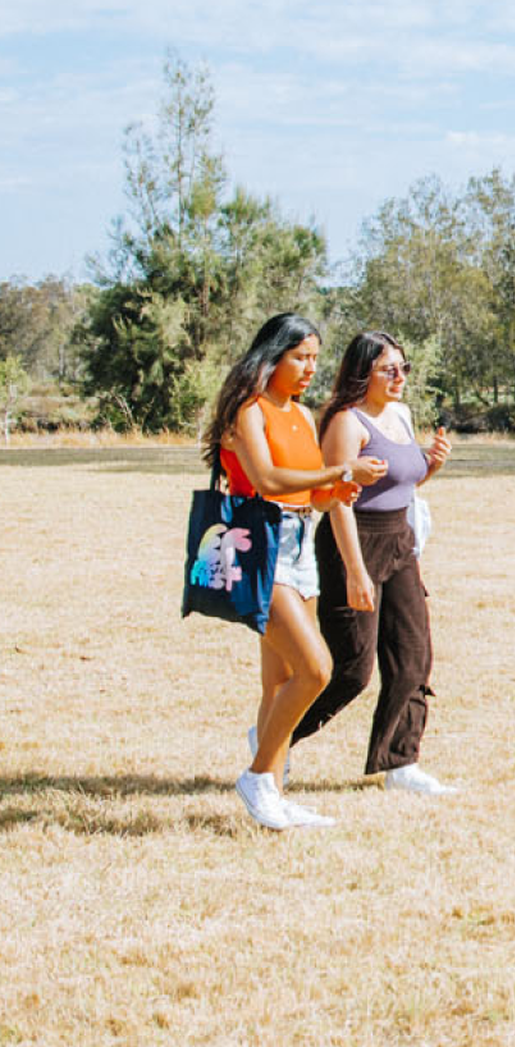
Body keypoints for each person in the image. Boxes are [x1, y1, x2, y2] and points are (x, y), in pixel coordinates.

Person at [204, 312, 388, 830]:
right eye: (299, 357)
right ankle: (259, 773)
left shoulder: (303, 416)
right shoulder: (248, 409)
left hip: (301, 540)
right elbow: (265, 478)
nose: (310, 368)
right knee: (316, 668)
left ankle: (275, 798)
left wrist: (336, 492)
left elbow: (309, 492)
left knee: (280, 678)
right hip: (260, 545)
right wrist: (339, 470)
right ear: (272, 356)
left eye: (314, 358)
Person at [293, 331, 456, 795]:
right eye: (390, 369)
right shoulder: (347, 422)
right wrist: (356, 571)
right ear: (363, 371)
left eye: (404, 368)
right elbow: (337, 501)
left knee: (412, 657)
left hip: (398, 542)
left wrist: (433, 465)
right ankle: (277, 741)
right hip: (353, 543)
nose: (400, 377)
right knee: (353, 669)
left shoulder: (400, 415)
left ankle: (400, 762)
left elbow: (405, 482)